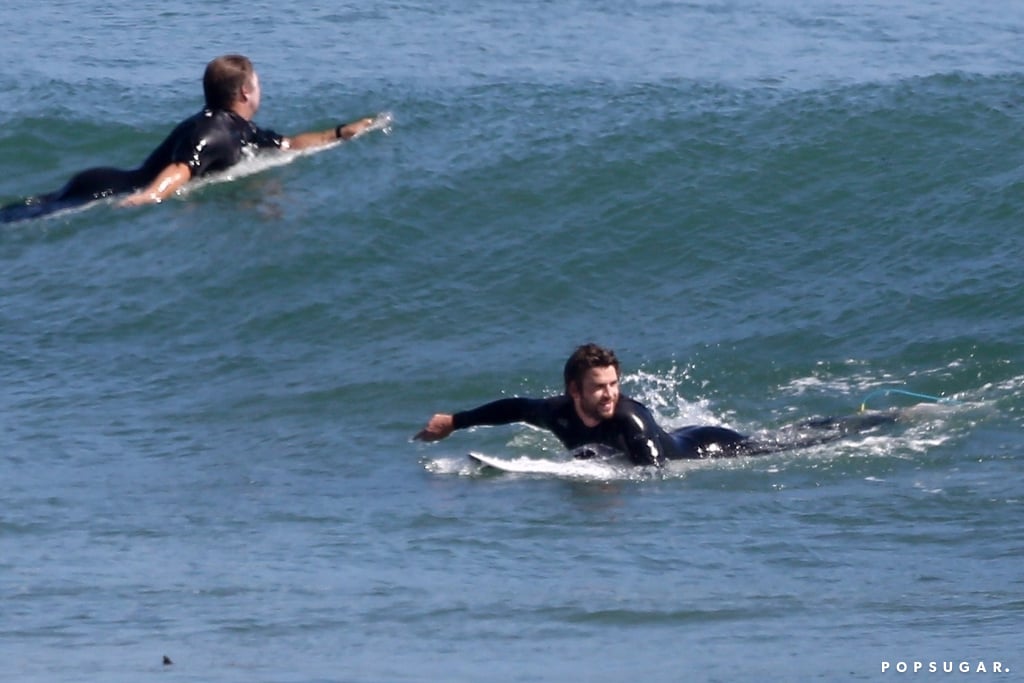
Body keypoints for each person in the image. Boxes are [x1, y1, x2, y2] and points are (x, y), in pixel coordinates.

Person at [1, 54, 377, 222]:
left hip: (102, 179)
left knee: (20, 212)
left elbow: (289, 144)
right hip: (105, 187)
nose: (261, 90)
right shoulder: (214, 131)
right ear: (245, 93)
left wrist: (341, 133)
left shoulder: (237, 128)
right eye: (258, 84)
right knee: (21, 218)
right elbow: (182, 167)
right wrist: (151, 197)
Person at [414, 343, 898, 467]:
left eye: (614, 384)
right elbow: (515, 407)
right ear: (573, 389)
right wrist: (455, 422)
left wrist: (604, 482)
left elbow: (654, 474)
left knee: (788, 443)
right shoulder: (557, 411)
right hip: (685, 438)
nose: (609, 394)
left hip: (706, 448)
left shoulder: (631, 421)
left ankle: (880, 419)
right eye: (599, 387)